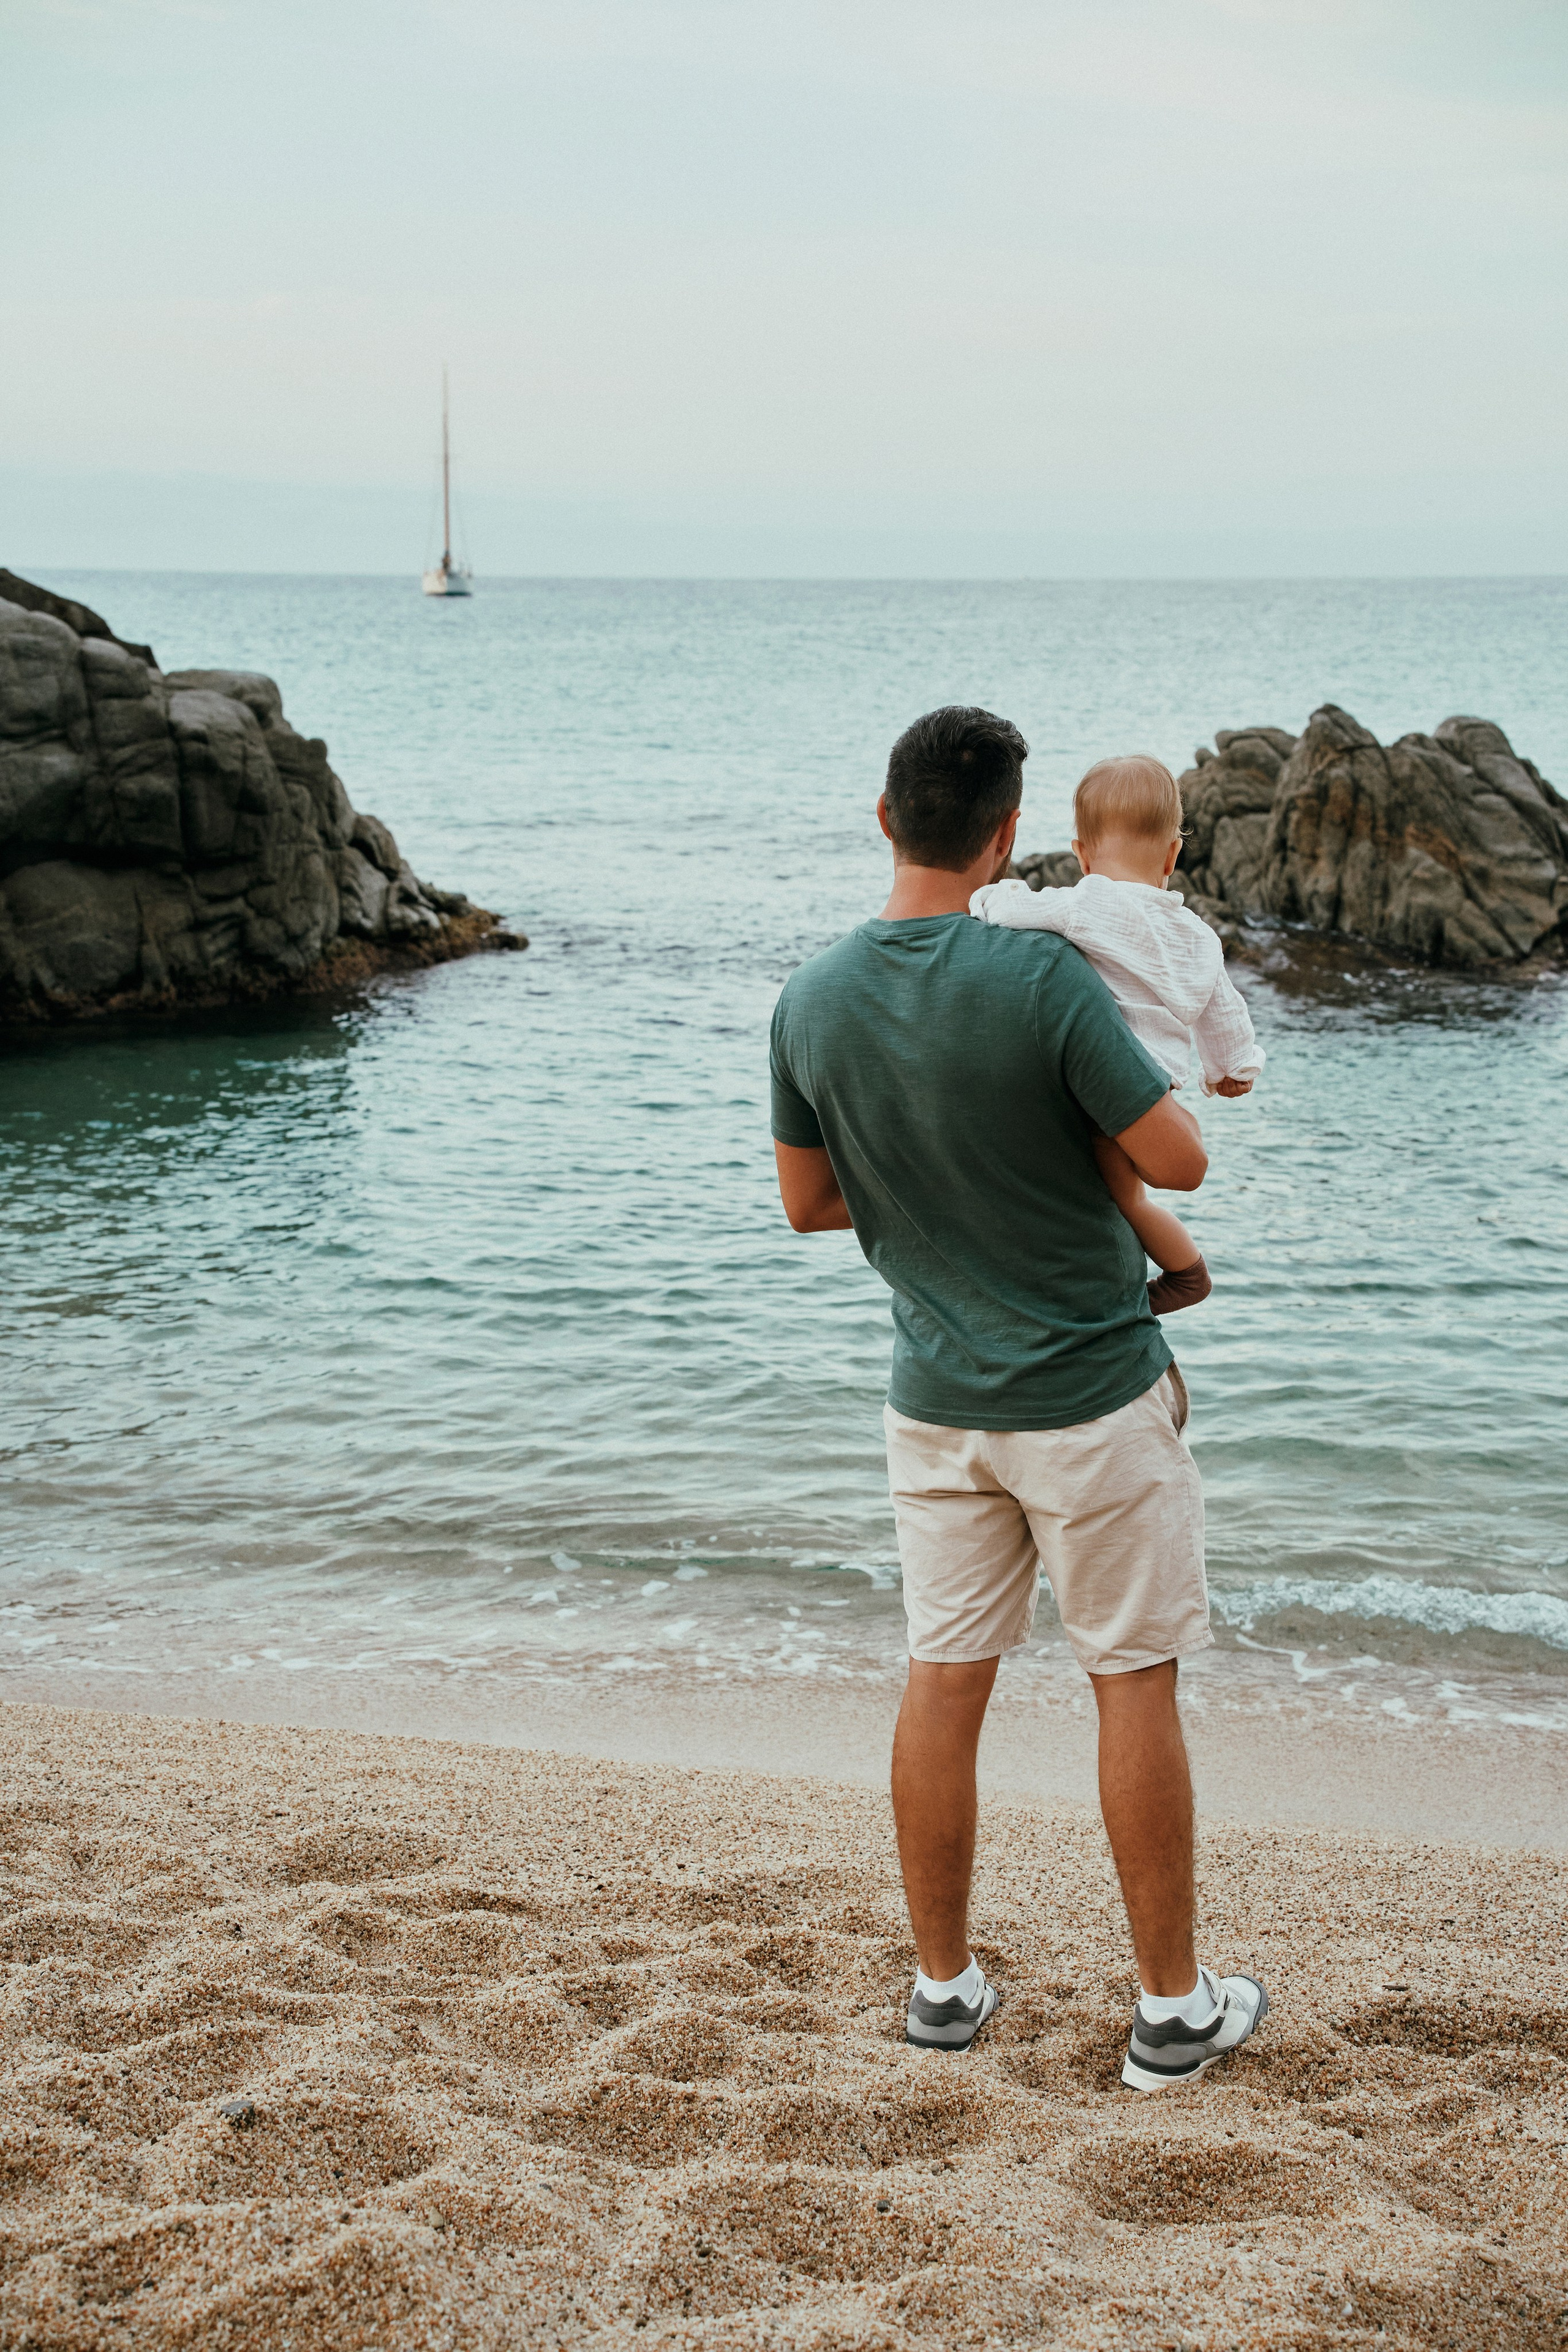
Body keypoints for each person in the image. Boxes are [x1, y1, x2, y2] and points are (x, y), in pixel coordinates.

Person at [769, 706, 1267, 2092]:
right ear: (1005, 840)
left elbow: (807, 1203)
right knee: (1130, 1681)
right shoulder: (1039, 981)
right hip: (1091, 1395)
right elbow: (1176, 1155)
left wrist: (936, 1157)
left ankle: (941, 1985)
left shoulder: (809, 997)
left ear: (883, 817)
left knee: (943, 1678)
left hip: (933, 1400)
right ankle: (1170, 2009)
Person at [970, 752, 1264, 1320]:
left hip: (1106, 1088)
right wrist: (1234, 1070)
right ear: (1174, 854)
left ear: (1081, 855)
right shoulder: (1199, 937)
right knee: (1129, 1194)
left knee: (1122, 1197)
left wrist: (982, 898)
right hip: (1158, 1090)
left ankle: (1187, 1274)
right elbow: (1225, 1013)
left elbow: (1012, 910)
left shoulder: (1088, 904)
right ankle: (1181, 1270)